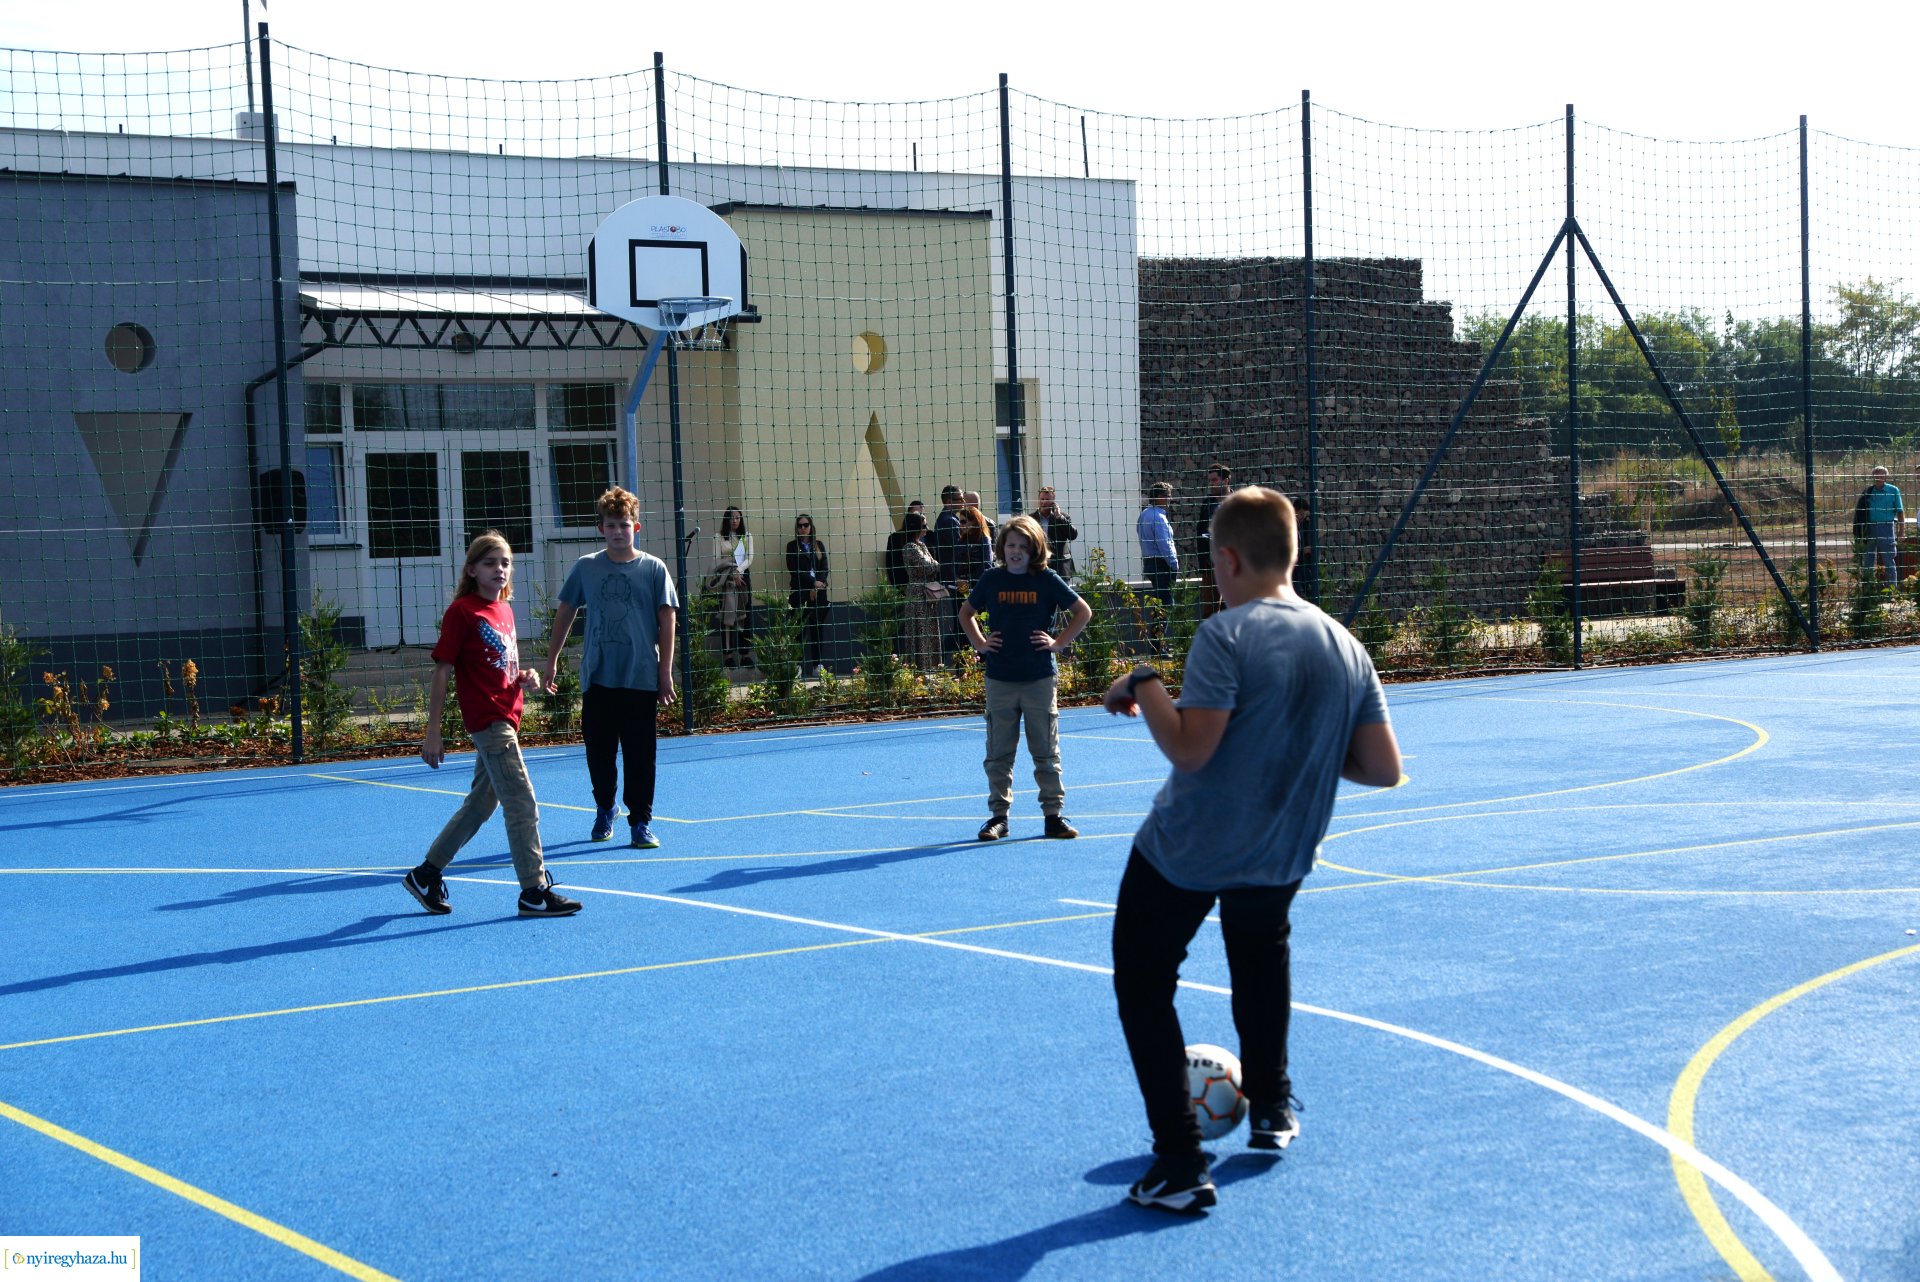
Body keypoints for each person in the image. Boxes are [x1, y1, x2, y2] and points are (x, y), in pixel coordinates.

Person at [1103, 486, 1400, 1213]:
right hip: (1280, 848)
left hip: (1189, 846)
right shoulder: (1345, 645)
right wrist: (1294, 748)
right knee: (1259, 963)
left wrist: (1143, 683)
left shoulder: (1226, 634)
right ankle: (1270, 1108)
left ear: (1228, 560)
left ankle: (1179, 1162)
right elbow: (1383, 768)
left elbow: (1191, 749)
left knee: (1144, 983)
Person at [405, 530, 581, 919]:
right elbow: (442, 671)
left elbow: (503, 667)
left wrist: (526, 678)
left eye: (505, 563)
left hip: (507, 717)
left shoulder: (503, 610)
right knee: (521, 802)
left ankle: (425, 873)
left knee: (481, 805)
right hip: (490, 722)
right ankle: (533, 891)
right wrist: (432, 731)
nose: (500, 569)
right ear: (472, 569)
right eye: (490, 563)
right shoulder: (462, 612)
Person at [544, 487, 679, 850]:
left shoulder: (653, 569)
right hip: (599, 677)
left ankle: (641, 822)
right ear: (601, 528)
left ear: (637, 527)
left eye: (625, 524)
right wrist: (552, 660)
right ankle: (606, 806)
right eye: (611, 525)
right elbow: (566, 612)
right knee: (598, 752)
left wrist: (665, 672)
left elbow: (667, 620)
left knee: (640, 754)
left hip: (640, 678)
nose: (619, 531)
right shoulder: (587, 567)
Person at [959, 514, 1093, 841]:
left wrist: (1059, 643)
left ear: (1035, 548)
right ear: (1002, 547)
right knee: (998, 753)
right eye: (1011, 544)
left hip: (1039, 679)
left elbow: (1082, 611)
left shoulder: (1046, 579)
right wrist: (979, 643)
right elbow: (966, 613)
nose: (1016, 551)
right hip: (1000, 679)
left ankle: (1053, 816)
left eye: (1023, 545)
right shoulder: (992, 580)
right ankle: (998, 818)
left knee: (1045, 751)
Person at [898, 511, 947, 671]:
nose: (926, 529)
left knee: (930, 629)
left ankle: (932, 666)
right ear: (915, 528)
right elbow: (929, 566)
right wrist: (936, 565)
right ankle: (919, 667)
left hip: (928, 592)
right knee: (919, 629)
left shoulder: (922, 545)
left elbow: (932, 565)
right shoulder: (910, 547)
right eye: (923, 526)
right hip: (918, 593)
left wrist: (934, 565)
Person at [707, 505, 754, 667]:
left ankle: (745, 654)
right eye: (731, 517)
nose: (734, 521)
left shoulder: (746, 536)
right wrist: (732, 570)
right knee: (727, 616)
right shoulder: (718, 537)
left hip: (742, 579)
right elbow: (716, 560)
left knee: (745, 616)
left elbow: (749, 558)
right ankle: (728, 655)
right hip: (725, 579)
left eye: (737, 517)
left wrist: (739, 570)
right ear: (726, 519)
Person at [786, 513, 831, 671]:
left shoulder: (818, 545)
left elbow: (824, 566)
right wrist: (812, 582)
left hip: (818, 594)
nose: (803, 528)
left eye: (806, 525)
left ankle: (817, 664)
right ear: (797, 529)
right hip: (800, 593)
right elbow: (794, 570)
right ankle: (797, 666)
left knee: (817, 629)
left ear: (811, 527)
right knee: (799, 631)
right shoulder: (792, 546)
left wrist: (818, 584)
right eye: (800, 526)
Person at [1137, 481, 1178, 630]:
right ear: (1160, 497)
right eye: (1168, 495)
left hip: (1149, 562)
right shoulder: (1158, 517)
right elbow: (1164, 544)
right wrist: (1173, 564)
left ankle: (1158, 645)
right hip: (1162, 564)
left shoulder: (1144, 515)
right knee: (1165, 605)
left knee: (1158, 604)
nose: (1170, 499)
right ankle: (1159, 646)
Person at [1195, 464, 1231, 616]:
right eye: (1210, 480)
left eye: (1215, 480)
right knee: (1210, 611)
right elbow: (1200, 534)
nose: (1212, 484)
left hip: (1233, 566)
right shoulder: (1207, 504)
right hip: (1212, 566)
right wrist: (1203, 565)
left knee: (1232, 608)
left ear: (1226, 480)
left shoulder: (1238, 502)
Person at [1857, 466, 1903, 585]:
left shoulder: (1893, 490)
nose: (1879, 476)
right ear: (1873, 476)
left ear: (1886, 476)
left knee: (1889, 561)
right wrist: (1861, 532)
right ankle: (1868, 591)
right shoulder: (1868, 492)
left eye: (1882, 474)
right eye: (1876, 474)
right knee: (1868, 560)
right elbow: (1860, 513)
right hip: (1870, 529)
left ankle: (1891, 592)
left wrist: (1901, 532)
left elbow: (1900, 511)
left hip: (1886, 528)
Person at [1034, 486, 1078, 578]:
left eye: (1047, 499)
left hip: (1060, 568)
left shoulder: (1062, 517)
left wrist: (1059, 517)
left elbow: (1073, 535)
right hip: (1038, 567)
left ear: (1053, 501)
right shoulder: (1031, 519)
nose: (1044, 502)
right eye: (1042, 499)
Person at [884, 500, 925, 590]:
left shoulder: (929, 536)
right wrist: (898, 587)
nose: (920, 517)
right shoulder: (895, 538)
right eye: (917, 514)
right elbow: (891, 565)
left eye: (922, 514)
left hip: (927, 588)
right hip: (905, 586)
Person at [932, 484, 964, 589]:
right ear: (949, 501)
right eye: (959, 499)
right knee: (961, 603)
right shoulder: (949, 521)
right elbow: (959, 548)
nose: (963, 502)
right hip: (953, 576)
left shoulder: (946, 518)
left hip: (949, 575)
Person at [955, 503, 993, 592]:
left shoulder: (983, 539)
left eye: (963, 522)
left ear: (975, 521)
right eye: (960, 522)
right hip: (962, 587)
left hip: (978, 586)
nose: (961, 525)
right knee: (962, 605)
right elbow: (956, 563)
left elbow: (987, 564)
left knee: (974, 605)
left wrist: (969, 580)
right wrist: (958, 579)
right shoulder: (962, 540)